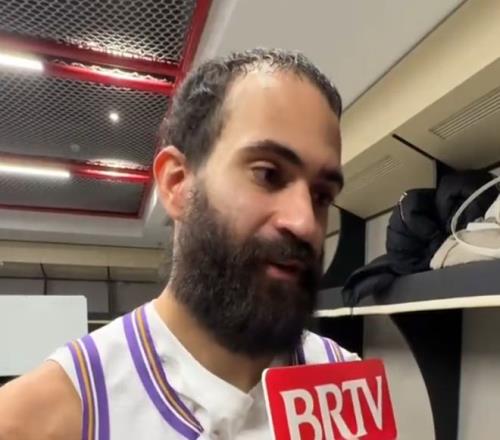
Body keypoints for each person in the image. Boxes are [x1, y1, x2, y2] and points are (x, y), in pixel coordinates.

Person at [0, 48, 359, 440]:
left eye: (322, 196)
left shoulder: (346, 380)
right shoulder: (38, 420)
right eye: (268, 174)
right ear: (176, 184)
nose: (305, 223)